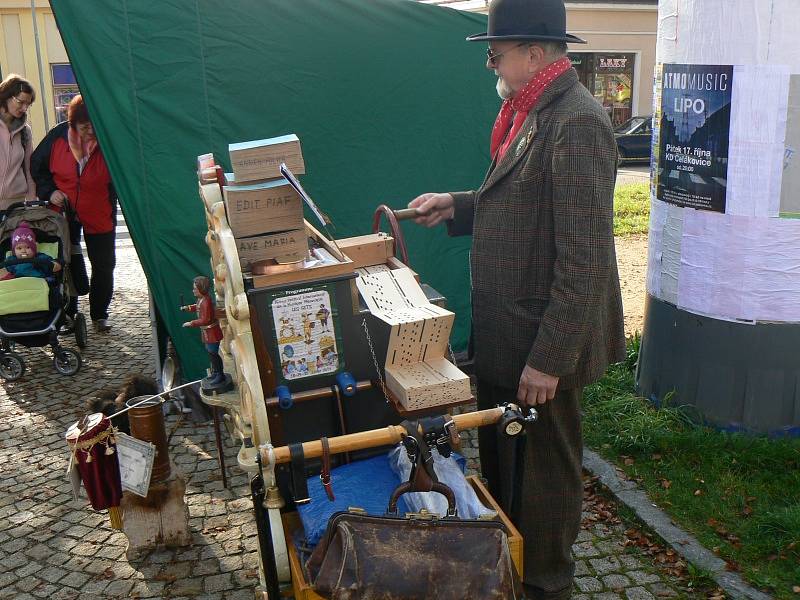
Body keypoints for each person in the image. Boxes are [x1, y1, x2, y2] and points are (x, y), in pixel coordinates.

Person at [407, 0, 625, 597]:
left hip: (540, 341)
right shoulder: (527, 111)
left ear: (535, 53)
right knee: (505, 467)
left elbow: (581, 256)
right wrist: (459, 204)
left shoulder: (574, 120)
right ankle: (509, 565)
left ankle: (546, 583)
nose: (490, 65)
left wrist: (549, 358)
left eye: (495, 54)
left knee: (545, 479)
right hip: (509, 331)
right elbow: (522, 204)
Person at [31, 94, 117, 332]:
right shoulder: (57, 138)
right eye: (84, 126)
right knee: (64, 262)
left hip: (99, 210)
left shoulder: (109, 141)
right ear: (73, 123)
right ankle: (69, 312)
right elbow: (37, 166)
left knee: (104, 263)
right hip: (62, 211)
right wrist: (50, 192)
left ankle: (100, 314)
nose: (89, 131)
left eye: (93, 125)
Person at [181, 276, 226, 386]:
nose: (193, 291)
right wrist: (188, 308)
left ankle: (220, 374)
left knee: (213, 353)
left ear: (201, 289)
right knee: (211, 353)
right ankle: (216, 372)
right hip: (207, 333)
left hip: (212, 332)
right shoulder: (201, 300)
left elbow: (205, 319)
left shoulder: (206, 302)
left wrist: (191, 323)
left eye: (195, 289)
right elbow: (197, 307)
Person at [0, 74, 36, 209]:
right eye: (21, 102)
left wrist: (32, 201)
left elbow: (29, 169)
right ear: (6, 96)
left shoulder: (25, 131)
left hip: (16, 206)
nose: (25, 108)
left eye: (28, 104)